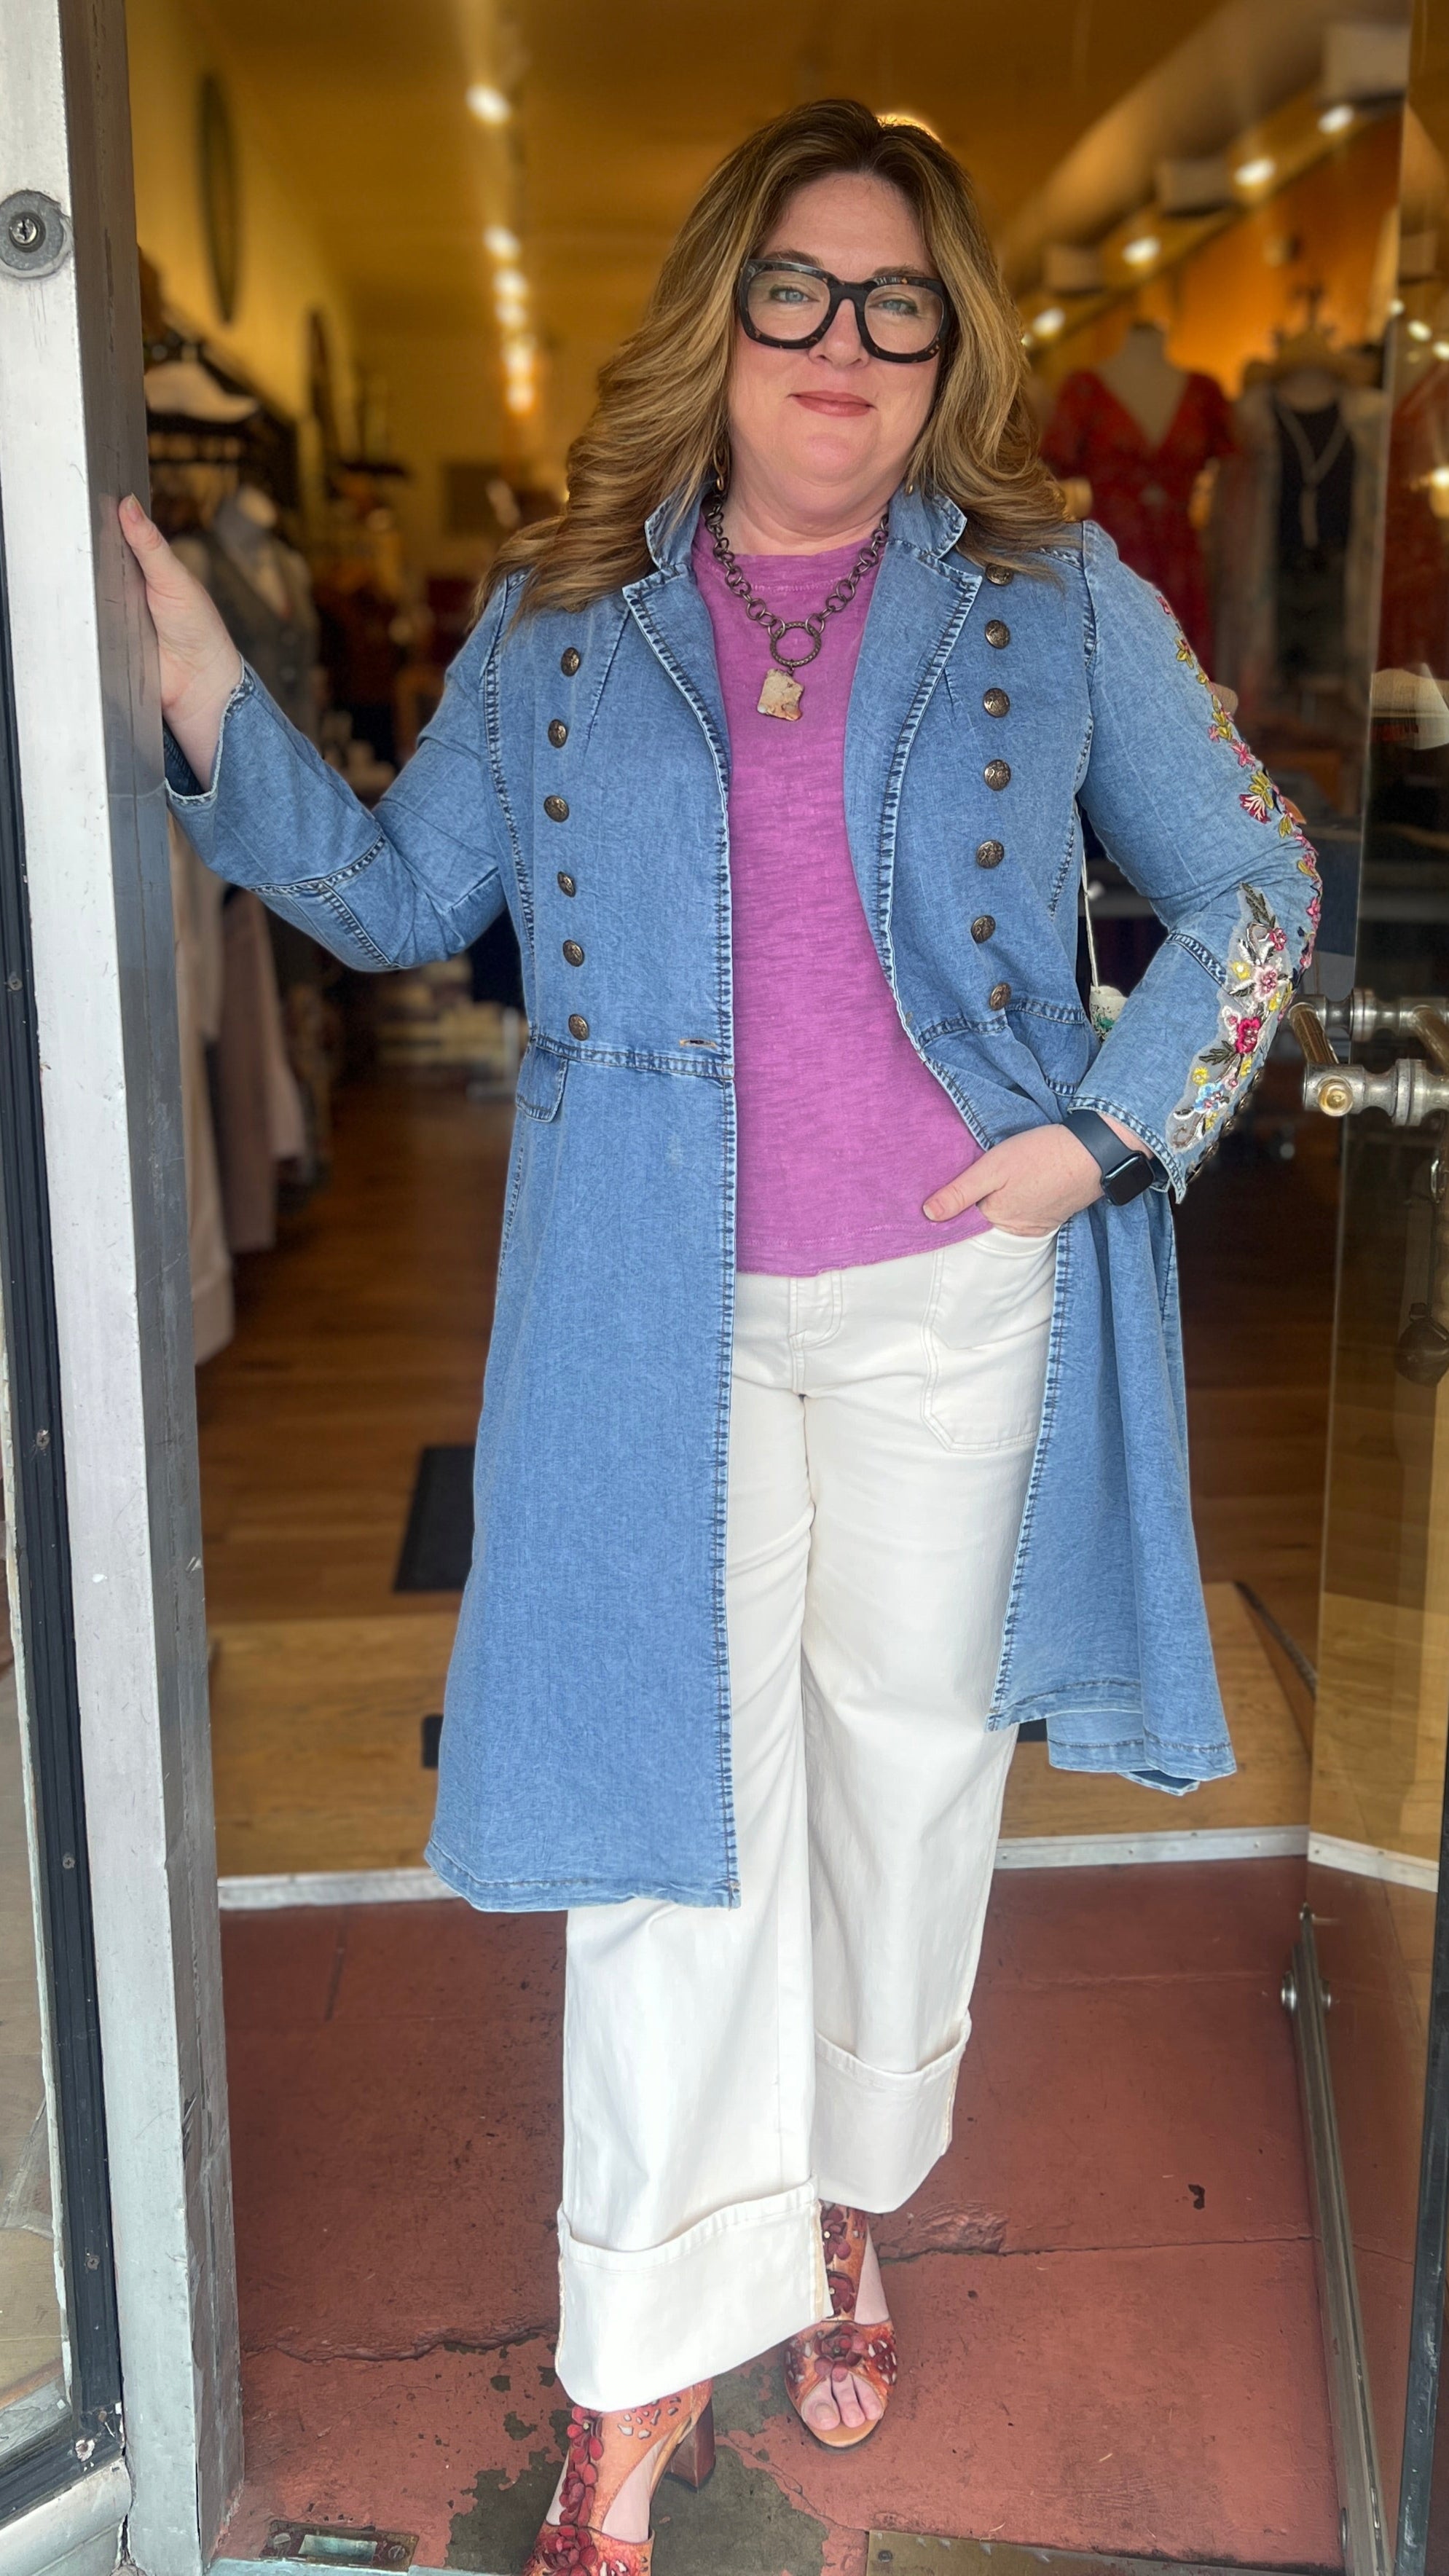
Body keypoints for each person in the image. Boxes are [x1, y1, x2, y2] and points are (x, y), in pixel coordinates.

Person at [122, 98, 1320, 2576]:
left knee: (901, 1785)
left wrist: (1100, 1140)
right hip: (646, 1315)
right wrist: (210, 703)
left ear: (949, 345)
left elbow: (1258, 889)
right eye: (801, 290)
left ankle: (847, 2196)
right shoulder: (568, 613)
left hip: (950, 1300)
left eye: (902, 304)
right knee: (676, 1842)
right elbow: (388, 893)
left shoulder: (1047, 593)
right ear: (721, 315)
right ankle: (636, 2371)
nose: (849, 345)